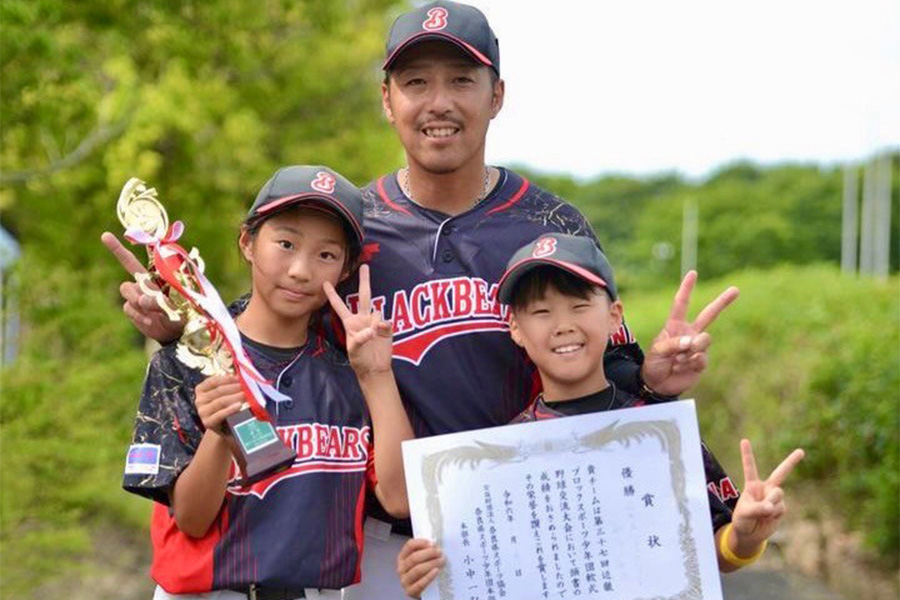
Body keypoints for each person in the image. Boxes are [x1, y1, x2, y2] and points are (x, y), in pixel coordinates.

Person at [103, 2, 739, 596]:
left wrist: (652, 379)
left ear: (497, 96)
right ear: (387, 99)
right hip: (380, 544)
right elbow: (270, 327)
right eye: (415, 83)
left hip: (524, 524)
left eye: (461, 80)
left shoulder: (550, 224)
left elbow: (600, 365)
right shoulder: (351, 226)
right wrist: (178, 324)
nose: (439, 103)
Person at [395, 234, 806, 598]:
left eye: (579, 305)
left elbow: (718, 552)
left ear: (614, 316)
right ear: (516, 328)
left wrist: (746, 537)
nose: (562, 325)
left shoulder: (656, 429)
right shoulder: (499, 457)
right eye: (540, 312)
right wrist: (426, 579)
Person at [121, 165, 414, 599]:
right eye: (286, 243)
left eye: (326, 255)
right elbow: (192, 519)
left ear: (348, 267)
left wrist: (377, 374)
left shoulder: (347, 372)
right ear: (247, 243)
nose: (300, 270)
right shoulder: (186, 359)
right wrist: (220, 434)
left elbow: (400, 499)